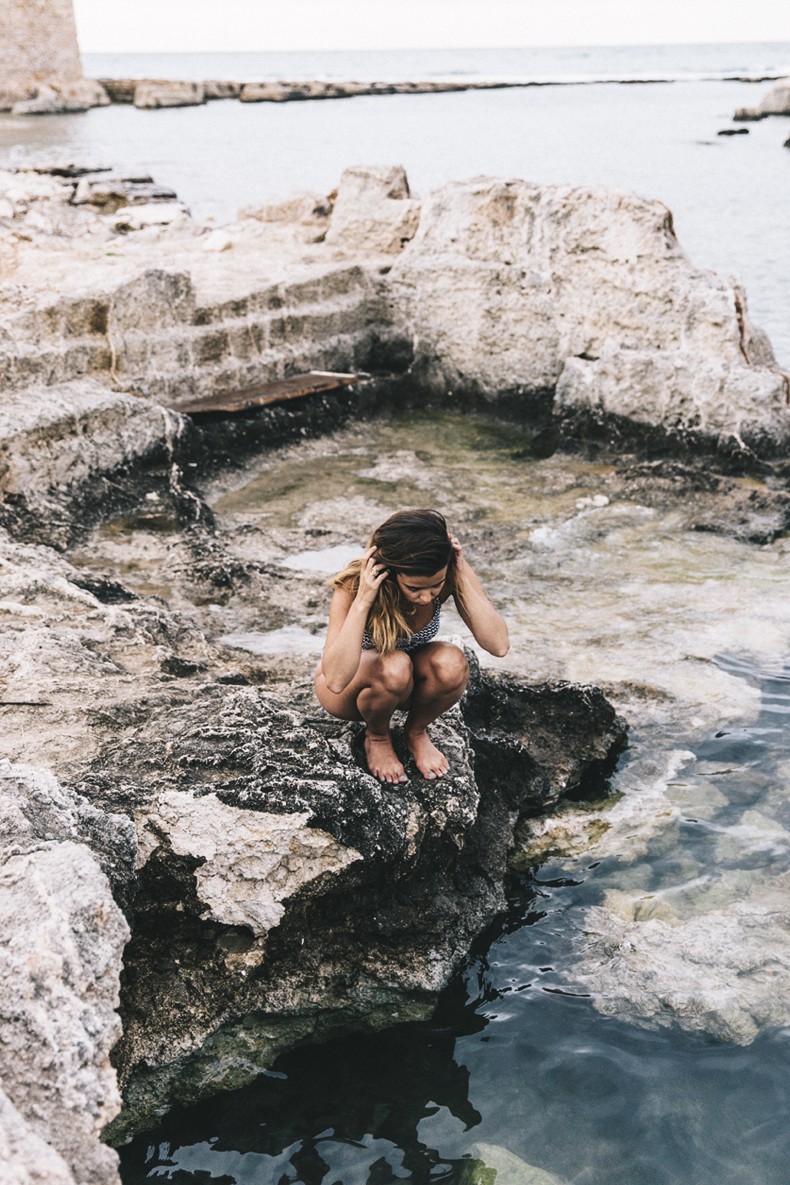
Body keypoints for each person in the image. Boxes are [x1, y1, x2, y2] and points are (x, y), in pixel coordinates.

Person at [314, 508, 509, 784]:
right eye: (415, 588)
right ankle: (377, 736)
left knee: (452, 662)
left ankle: (415, 731)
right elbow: (334, 679)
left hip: (402, 685)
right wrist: (364, 600)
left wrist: (460, 572)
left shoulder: (445, 574)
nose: (427, 597)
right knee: (395, 664)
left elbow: (498, 644)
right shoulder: (354, 585)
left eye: (435, 586)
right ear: (391, 573)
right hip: (349, 689)